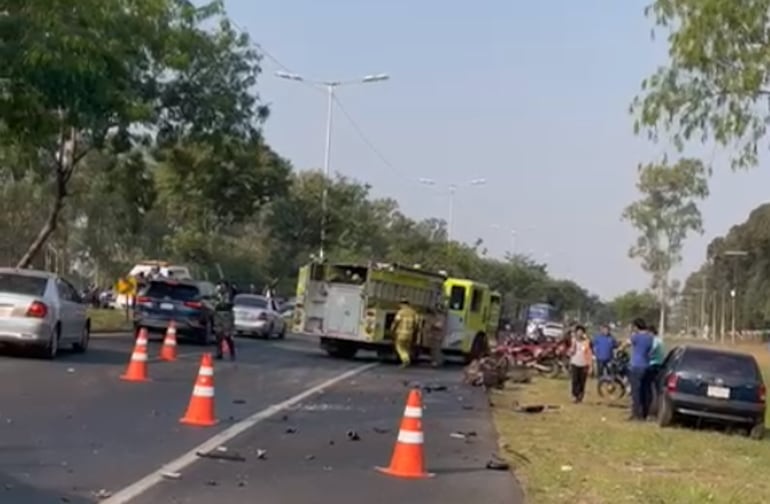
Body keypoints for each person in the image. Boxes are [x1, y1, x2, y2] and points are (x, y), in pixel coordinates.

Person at [626, 318, 654, 420]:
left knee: (636, 392)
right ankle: (644, 413)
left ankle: (636, 414)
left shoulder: (636, 337)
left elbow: (626, 344)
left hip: (636, 366)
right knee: (644, 391)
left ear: (636, 327)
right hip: (646, 366)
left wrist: (619, 349)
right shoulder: (650, 337)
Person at [568, 325, 593, 403]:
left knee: (582, 381)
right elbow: (570, 352)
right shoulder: (573, 340)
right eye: (578, 332)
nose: (580, 333)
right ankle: (574, 395)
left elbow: (589, 354)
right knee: (575, 380)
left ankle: (580, 395)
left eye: (581, 332)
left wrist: (590, 365)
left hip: (584, 364)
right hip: (575, 362)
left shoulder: (587, 342)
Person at [391, 298, 418, 368]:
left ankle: (406, 360)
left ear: (403, 304)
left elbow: (396, 321)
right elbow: (416, 323)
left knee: (399, 347)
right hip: (410, 334)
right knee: (407, 347)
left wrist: (392, 329)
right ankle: (407, 357)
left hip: (401, 333)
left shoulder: (401, 312)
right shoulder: (413, 312)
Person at [214, 281, 236, 361]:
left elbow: (233, 293)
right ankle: (219, 353)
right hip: (218, 313)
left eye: (223, 286)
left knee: (227, 335)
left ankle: (232, 352)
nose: (222, 287)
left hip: (227, 314)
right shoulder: (217, 293)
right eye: (220, 285)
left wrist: (230, 288)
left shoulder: (230, 293)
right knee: (218, 334)